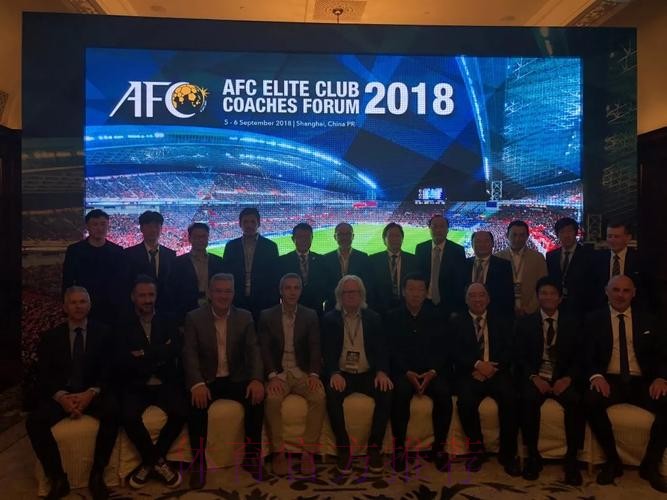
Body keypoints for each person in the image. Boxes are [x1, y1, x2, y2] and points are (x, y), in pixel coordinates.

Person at [26, 287, 118, 500]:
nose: (78, 306)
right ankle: (58, 479)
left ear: (90, 305)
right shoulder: (50, 337)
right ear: (65, 307)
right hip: (62, 395)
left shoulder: (104, 333)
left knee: (113, 412)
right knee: (34, 422)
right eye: (73, 302)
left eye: (83, 302)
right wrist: (61, 398)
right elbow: (43, 375)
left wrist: (91, 393)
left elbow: (109, 370)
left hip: (91, 393)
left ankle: (97, 475)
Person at [583, 274, 667, 492]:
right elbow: (586, 355)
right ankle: (613, 461)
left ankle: (650, 465)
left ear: (634, 293)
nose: (620, 295)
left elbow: (662, 354)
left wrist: (661, 377)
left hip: (642, 381)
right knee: (591, 401)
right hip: (609, 379)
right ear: (606, 291)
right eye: (616, 290)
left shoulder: (649, 320)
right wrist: (596, 376)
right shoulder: (593, 319)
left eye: (626, 290)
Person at [182, 273, 265, 487]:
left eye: (228, 291)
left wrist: (257, 379)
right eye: (218, 291)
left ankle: (252, 456)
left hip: (235, 377)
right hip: (207, 380)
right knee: (195, 406)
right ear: (210, 293)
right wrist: (197, 383)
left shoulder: (244, 317)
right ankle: (199, 463)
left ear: (234, 294)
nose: (223, 295)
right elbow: (189, 354)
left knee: (257, 399)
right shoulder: (194, 318)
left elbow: (254, 350)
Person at [116, 276, 187, 489]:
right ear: (133, 297)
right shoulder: (122, 323)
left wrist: (143, 354)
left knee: (181, 412)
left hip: (166, 381)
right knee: (128, 416)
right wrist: (159, 352)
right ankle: (158, 462)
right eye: (142, 295)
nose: (147, 300)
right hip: (137, 383)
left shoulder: (168, 319)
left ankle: (149, 462)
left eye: (151, 295)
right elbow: (123, 359)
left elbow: (175, 349)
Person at [321, 275, 393, 475]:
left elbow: (382, 349)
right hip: (342, 374)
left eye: (354, 292)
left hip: (367, 373)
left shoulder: (374, 318)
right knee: (331, 394)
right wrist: (334, 373)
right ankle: (344, 449)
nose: (350, 296)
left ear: (362, 295)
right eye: (346, 292)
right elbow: (327, 351)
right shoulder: (329, 319)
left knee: (386, 392)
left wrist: (382, 371)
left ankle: (374, 448)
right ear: (339, 296)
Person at [516, 277, 584, 484]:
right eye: (543, 293)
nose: (548, 297)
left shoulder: (573, 322)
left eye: (552, 293)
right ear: (537, 296)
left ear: (560, 298)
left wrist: (568, 378)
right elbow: (519, 356)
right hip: (537, 376)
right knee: (527, 400)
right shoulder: (525, 323)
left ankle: (572, 460)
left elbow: (581, 356)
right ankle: (533, 456)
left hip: (562, 377)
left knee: (576, 401)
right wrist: (533, 377)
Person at [258, 273, 325, 476]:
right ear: (281, 291)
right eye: (288, 288)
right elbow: (264, 349)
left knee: (319, 396)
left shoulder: (310, 315)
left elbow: (315, 347)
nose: (292, 292)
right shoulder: (267, 315)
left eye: (296, 288)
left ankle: (308, 453)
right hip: (278, 373)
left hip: (301, 371)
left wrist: (314, 375)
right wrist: (271, 377)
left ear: (301, 291)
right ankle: (278, 453)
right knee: (272, 400)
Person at [451, 283, 520, 476]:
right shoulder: (456, 322)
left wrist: (491, 368)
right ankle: (476, 450)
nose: (477, 299)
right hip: (470, 373)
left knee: (511, 399)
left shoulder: (502, 320)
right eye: (472, 295)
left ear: (488, 299)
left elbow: (510, 349)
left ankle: (508, 454)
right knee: (465, 402)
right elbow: (454, 352)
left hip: (497, 371)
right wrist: (477, 365)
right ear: (466, 300)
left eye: (481, 295)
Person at [387, 273, 453, 472]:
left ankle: (439, 448)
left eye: (420, 290)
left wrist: (432, 371)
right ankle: (399, 448)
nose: (415, 294)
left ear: (426, 293)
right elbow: (391, 349)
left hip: (431, 372)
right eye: (411, 289)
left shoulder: (437, 317)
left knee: (444, 394)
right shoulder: (392, 317)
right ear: (403, 292)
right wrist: (407, 372)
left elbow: (444, 349)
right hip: (404, 372)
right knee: (400, 394)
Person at [62, 209, 125, 326]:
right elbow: (67, 281)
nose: (100, 228)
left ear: (108, 225)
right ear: (87, 226)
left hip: (110, 309)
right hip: (82, 308)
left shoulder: (118, 251)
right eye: (95, 224)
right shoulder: (75, 251)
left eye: (103, 224)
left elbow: (121, 282)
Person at [222, 207, 280, 319]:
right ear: (240, 224)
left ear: (259, 223)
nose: (249, 225)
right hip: (237, 301)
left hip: (263, 301)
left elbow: (274, 276)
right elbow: (226, 274)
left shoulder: (270, 247)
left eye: (253, 222)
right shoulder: (231, 246)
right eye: (245, 222)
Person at [167, 222, 225, 324]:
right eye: (196, 237)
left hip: (214, 310)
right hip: (187, 311)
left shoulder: (218, 262)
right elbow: (173, 292)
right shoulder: (177, 263)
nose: (200, 240)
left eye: (203, 236)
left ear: (208, 238)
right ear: (189, 239)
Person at [414, 214, 466, 318]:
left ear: (447, 230)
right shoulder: (421, 248)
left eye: (442, 226)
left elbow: (460, 281)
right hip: (424, 303)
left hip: (448, 305)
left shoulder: (457, 250)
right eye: (434, 226)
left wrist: (456, 308)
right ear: (429, 229)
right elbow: (417, 276)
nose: (438, 230)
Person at [124, 211, 176, 313]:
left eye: (156, 226)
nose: (153, 230)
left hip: (165, 309)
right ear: (141, 228)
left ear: (161, 229)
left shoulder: (171, 255)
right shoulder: (129, 254)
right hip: (137, 309)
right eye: (149, 226)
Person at [494, 220, 548, 317]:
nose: (518, 239)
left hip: (531, 313)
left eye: (522, 235)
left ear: (527, 236)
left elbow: (543, 286)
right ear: (507, 236)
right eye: (514, 235)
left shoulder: (538, 258)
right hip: (504, 313)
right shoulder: (497, 257)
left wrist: (529, 308)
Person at [546, 217, 595, 319]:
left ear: (576, 233)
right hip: (556, 306)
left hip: (581, 307)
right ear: (557, 235)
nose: (566, 235)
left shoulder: (588, 255)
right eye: (562, 232)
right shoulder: (551, 256)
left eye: (569, 231)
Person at [593, 221, 647, 309]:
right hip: (602, 308)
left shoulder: (640, 260)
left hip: (632, 308)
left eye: (616, 236)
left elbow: (645, 289)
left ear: (628, 238)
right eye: (609, 236)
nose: (612, 240)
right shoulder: (596, 259)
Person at [278, 223, 328, 314]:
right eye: (300, 237)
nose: (303, 240)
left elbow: (326, 285)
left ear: (312, 238)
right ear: (293, 239)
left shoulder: (322, 260)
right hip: (291, 310)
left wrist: (319, 300)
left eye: (307, 237)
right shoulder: (282, 261)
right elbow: (279, 287)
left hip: (316, 311)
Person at [369, 222, 417, 315]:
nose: (394, 239)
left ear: (402, 239)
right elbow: (371, 288)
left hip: (406, 308)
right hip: (381, 309)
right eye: (390, 236)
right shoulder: (373, 260)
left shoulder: (413, 260)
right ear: (384, 240)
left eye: (397, 236)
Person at [322, 222, 373, 309]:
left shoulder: (363, 257)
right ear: (335, 237)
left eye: (348, 234)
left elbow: (367, 284)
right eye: (340, 234)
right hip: (333, 307)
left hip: (357, 307)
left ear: (353, 236)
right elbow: (324, 286)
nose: (344, 237)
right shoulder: (326, 259)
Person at [464, 231, 514, 317]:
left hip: (495, 315)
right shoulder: (463, 264)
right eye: (478, 241)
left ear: (493, 244)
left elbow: (507, 294)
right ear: (472, 244)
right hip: (467, 315)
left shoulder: (504, 265)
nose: (482, 244)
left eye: (486, 241)